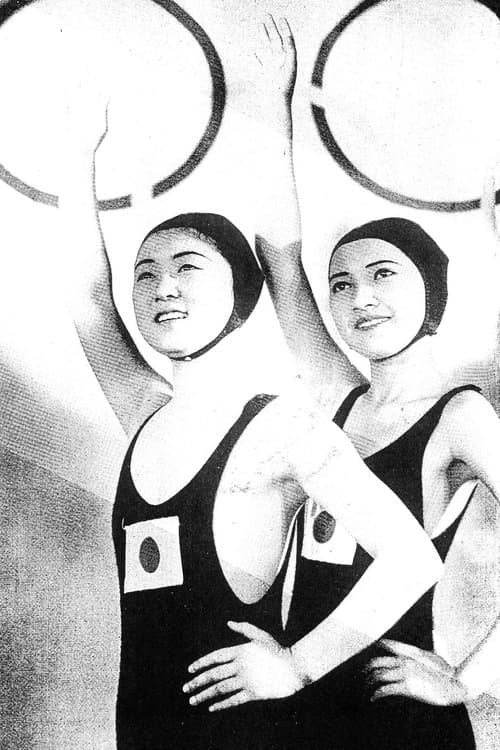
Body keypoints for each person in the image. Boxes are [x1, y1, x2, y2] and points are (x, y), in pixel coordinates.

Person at [59, 16, 442, 750]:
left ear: (239, 295)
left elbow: (412, 558)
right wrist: (78, 157)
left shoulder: (282, 427)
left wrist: (299, 665)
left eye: (187, 268)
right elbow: (87, 298)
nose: (163, 286)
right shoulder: (143, 410)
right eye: (147, 273)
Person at [257, 19, 500, 750]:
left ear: (430, 291)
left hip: (398, 717)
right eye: (342, 284)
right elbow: (280, 268)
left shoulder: (459, 415)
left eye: (382, 275)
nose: (359, 297)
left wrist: (471, 678)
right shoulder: (338, 395)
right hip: (302, 700)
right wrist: (274, 109)